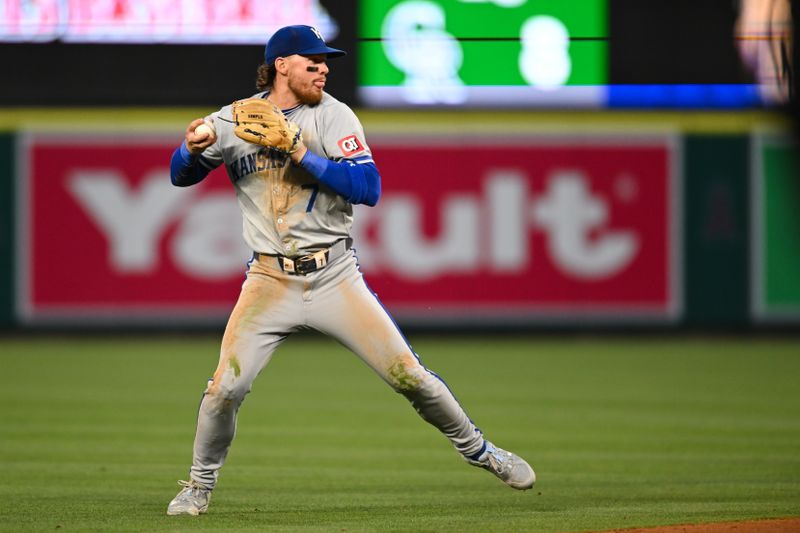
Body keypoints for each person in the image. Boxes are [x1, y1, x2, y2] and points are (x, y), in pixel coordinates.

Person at [165, 24, 535, 516]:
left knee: (410, 377)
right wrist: (190, 148)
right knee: (224, 388)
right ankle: (199, 486)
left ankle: (482, 451)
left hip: (333, 276)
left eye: (326, 61)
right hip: (268, 282)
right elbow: (179, 175)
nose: (323, 68)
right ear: (281, 65)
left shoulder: (334, 116)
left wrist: (299, 152)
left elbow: (368, 186)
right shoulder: (236, 119)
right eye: (312, 60)